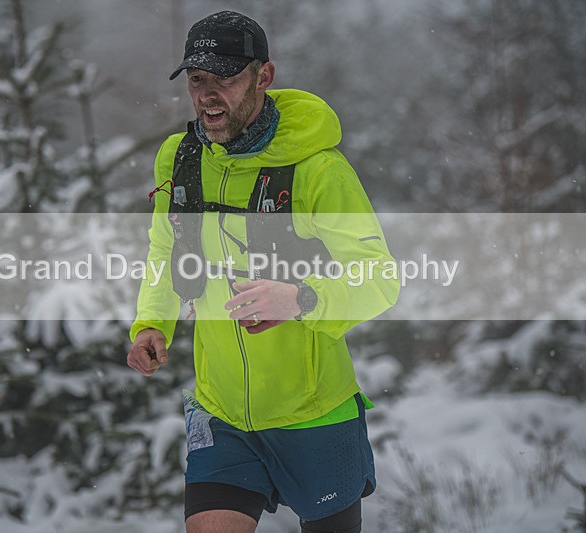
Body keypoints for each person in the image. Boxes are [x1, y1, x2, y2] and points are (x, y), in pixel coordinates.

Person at [127, 11, 399, 533]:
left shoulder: (318, 169)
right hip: (221, 411)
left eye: (225, 79)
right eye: (197, 80)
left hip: (315, 414)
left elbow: (380, 277)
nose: (208, 95)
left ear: (263, 77)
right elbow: (165, 252)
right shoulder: (180, 160)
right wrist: (151, 323)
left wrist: (301, 298)